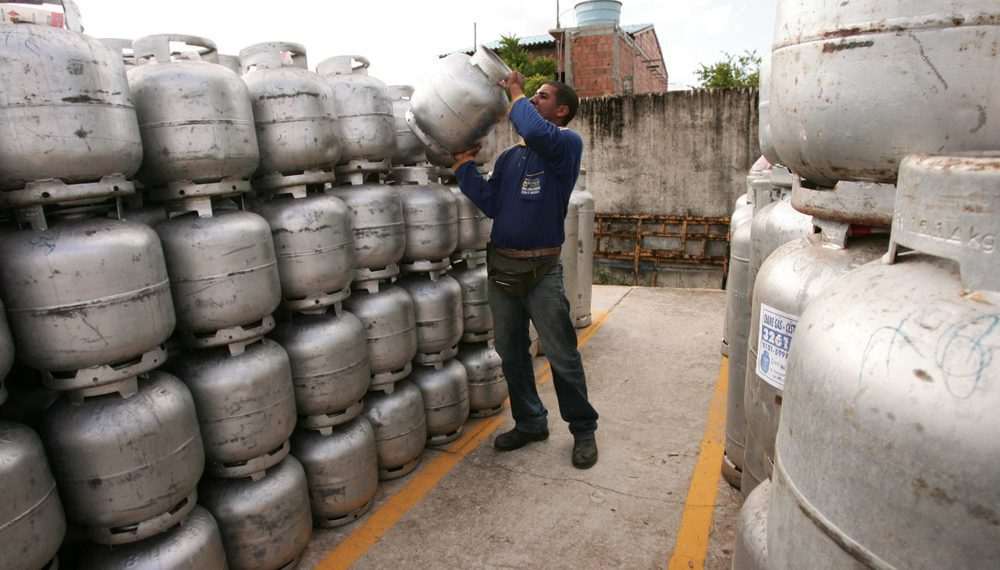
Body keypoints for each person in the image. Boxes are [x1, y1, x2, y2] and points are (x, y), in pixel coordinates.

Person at [450, 70, 599, 469]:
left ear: (562, 110)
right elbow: (493, 204)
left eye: (543, 96)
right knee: (512, 353)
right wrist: (465, 168)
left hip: (542, 272)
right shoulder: (511, 159)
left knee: (562, 354)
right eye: (532, 95)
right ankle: (531, 421)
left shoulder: (565, 145)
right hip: (503, 271)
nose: (533, 100)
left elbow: (533, 128)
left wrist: (515, 90)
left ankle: (583, 430)